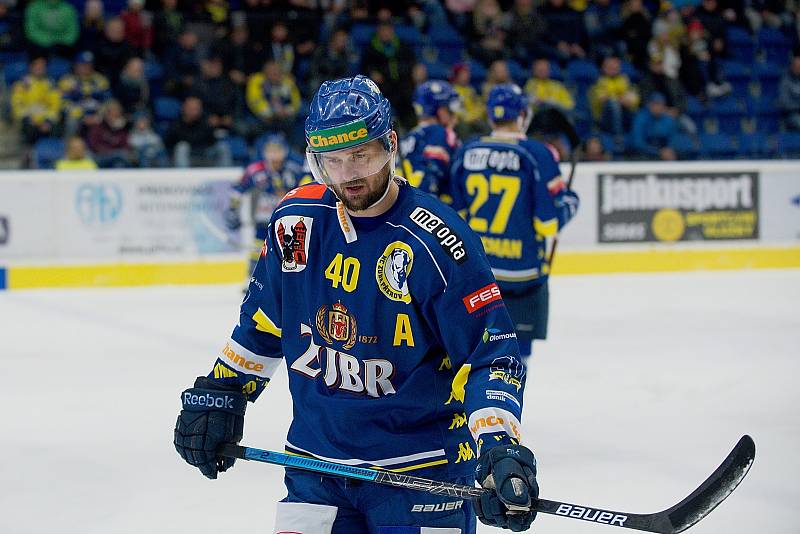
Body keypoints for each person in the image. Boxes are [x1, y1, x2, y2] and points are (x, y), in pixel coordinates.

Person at [174, 75, 539, 533]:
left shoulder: (439, 242)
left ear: (389, 144)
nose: (350, 173)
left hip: (422, 475)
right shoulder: (295, 221)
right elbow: (265, 323)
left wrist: (498, 444)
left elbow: (488, 355)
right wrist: (226, 390)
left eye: (361, 155)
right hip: (315, 467)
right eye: (335, 159)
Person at [451, 84, 579, 358]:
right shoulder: (536, 153)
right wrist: (570, 203)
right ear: (522, 114)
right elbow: (548, 225)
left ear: (490, 116)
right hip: (522, 276)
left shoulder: (467, 150)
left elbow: (456, 217)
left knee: (476, 352)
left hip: (478, 270)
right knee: (516, 360)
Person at [225, 134, 304, 280]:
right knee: (258, 248)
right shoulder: (255, 169)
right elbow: (238, 189)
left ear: (285, 151)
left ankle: (289, 280)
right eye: (270, 150)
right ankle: (252, 279)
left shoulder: (295, 168)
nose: (274, 155)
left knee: (291, 248)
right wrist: (233, 209)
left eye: (277, 150)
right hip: (263, 217)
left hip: (288, 217)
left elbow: (307, 186)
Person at [398, 79, 461, 203]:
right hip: (426, 208)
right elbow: (431, 176)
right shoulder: (443, 134)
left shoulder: (406, 138)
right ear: (441, 112)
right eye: (450, 108)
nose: (455, 116)